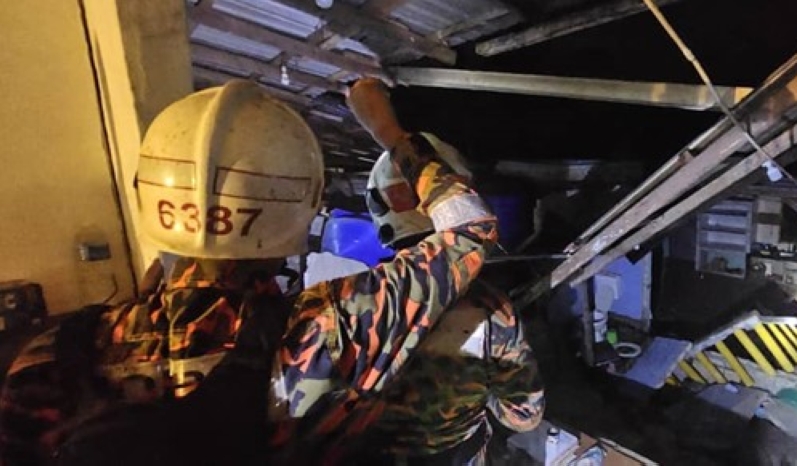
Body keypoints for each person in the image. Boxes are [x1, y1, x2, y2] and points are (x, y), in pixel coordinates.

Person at [0, 78, 497, 465]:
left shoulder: (50, 358)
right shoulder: (329, 327)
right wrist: (388, 132)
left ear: (150, 193)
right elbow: (469, 229)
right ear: (302, 205)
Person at [300, 111, 545, 464]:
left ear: (382, 208)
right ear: (463, 192)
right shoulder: (490, 309)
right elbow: (524, 415)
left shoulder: (344, 302)